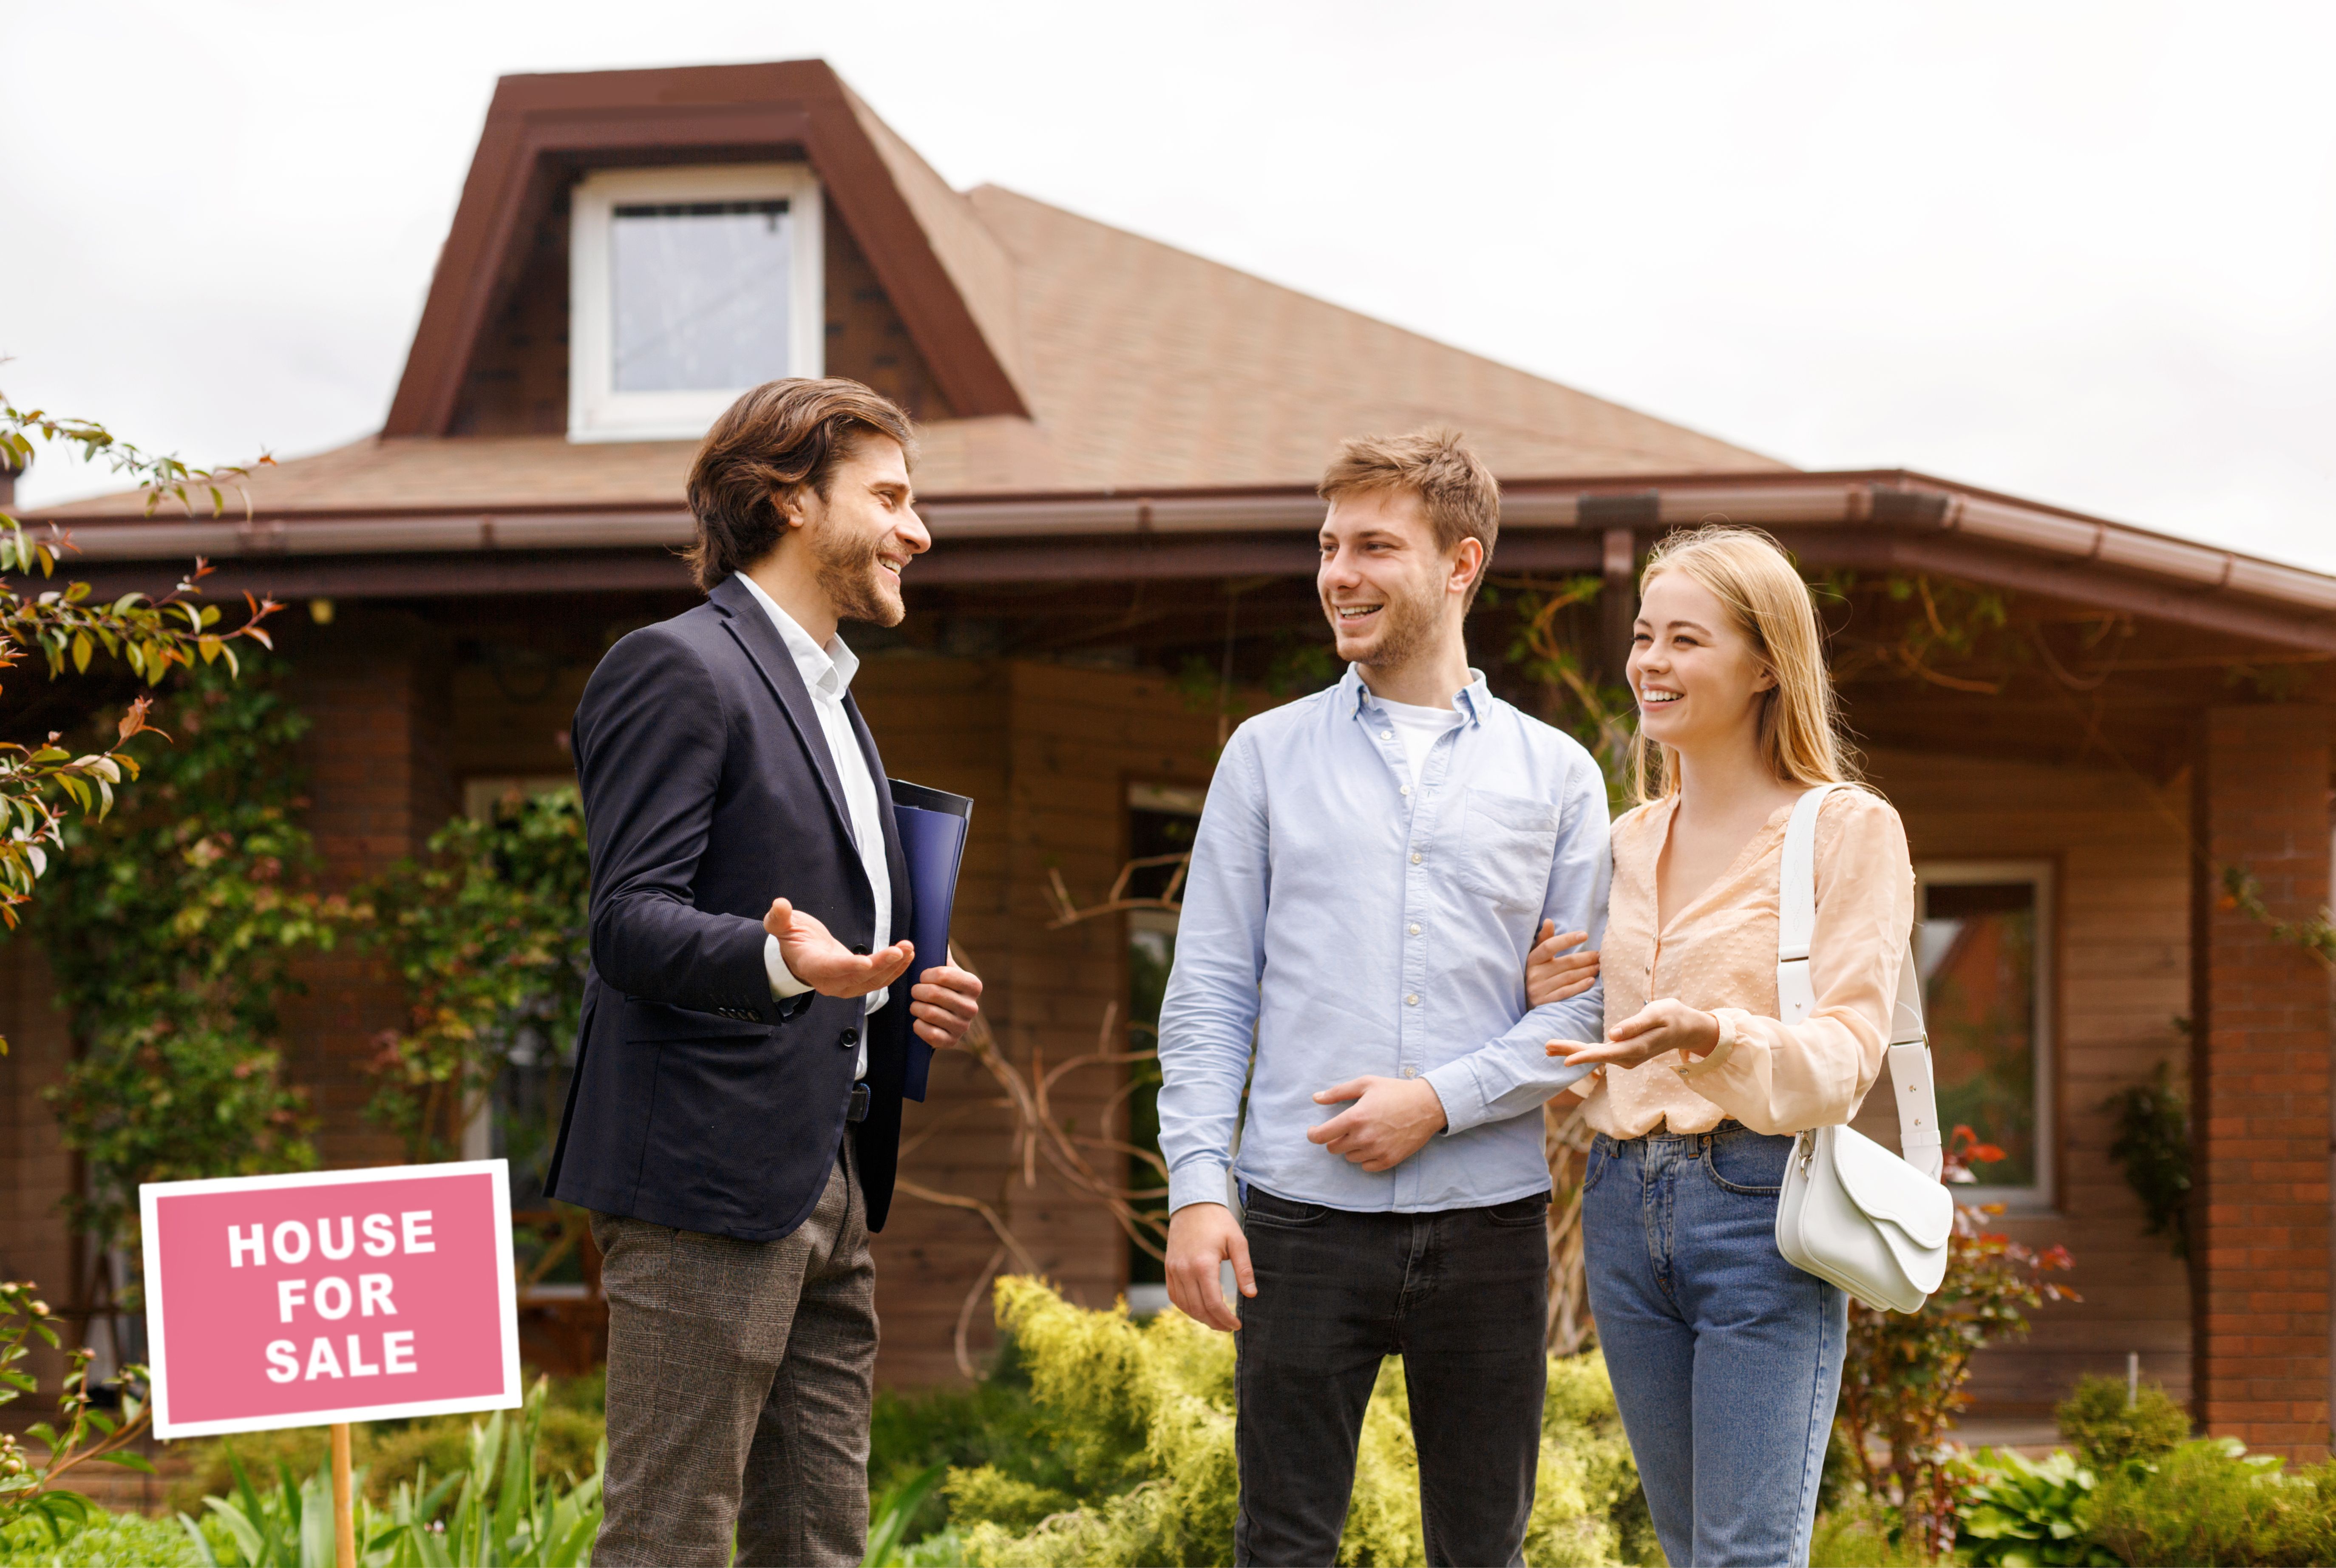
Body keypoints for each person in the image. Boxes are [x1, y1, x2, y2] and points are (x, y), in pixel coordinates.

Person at [545, 378, 987, 1568]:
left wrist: (895, 989)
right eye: (889, 498)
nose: (918, 531)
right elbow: (628, 923)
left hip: (832, 1167)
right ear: (792, 499)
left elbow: (831, 939)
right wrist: (779, 960)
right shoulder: (676, 668)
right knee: (670, 1540)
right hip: (702, 1177)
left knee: (819, 1543)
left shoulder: (837, 701)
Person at [1157, 428, 1608, 1567]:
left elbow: (1584, 1017)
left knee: (1482, 1552)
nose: (1337, 574)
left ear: (1460, 564)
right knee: (1286, 1546)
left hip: (1489, 1226)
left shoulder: (1557, 776)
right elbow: (1210, 988)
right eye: (1327, 546)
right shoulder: (1263, 756)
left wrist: (1436, 1103)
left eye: (1372, 546)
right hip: (1297, 1224)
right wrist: (1199, 1189)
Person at [1531, 524, 1914, 1567]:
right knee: (1687, 1545)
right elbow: (1578, 1049)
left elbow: (1845, 1055)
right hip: (1616, 1205)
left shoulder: (1844, 830)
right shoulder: (1623, 842)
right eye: (1646, 637)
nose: (1651, 663)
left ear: (1764, 666)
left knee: (1744, 1554)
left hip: (1758, 1212)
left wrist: (1715, 1034)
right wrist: (1550, 1008)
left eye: (1686, 641)